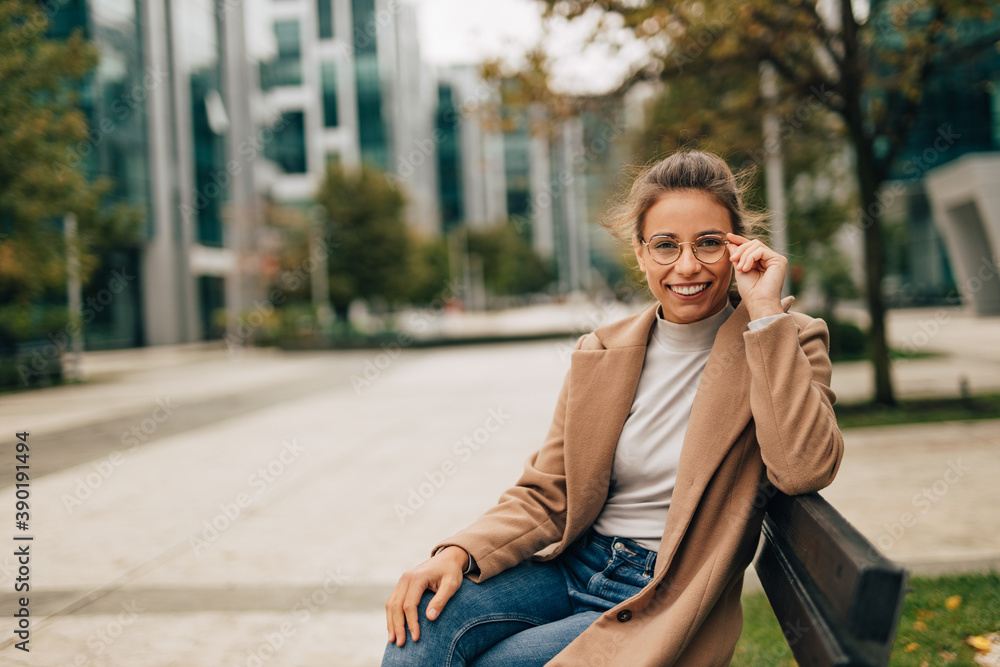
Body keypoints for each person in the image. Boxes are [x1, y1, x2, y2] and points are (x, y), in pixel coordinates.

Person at [382, 150, 845, 666]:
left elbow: (803, 468)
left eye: (709, 243)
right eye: (665, 246)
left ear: (738, 247)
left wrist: (762, 314)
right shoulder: (601, 349)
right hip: (573, 566)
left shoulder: (787, 339)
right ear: (641, 252)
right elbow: (546, 492)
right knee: (422, 624)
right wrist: (457, 552)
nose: (687, 266)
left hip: (661, 592)